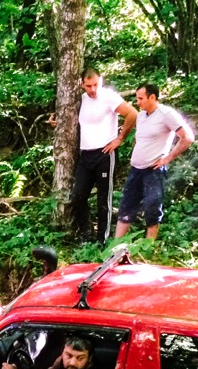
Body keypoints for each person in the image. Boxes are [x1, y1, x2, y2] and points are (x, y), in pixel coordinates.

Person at [51, 68, 137, 244]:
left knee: (103, 199)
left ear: (101, 81)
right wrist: (57, 122)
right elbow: (72, 120)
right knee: (78, 196)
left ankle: (102, 240)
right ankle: (85, 234)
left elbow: (132, 114)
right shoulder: (80, 100)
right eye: (88, 85)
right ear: (82, 84)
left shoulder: (108, 97)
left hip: (105, 154)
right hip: (86, 154)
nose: (93, 89)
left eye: (96, 84)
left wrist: (119, 139)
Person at [114, 83, 195, 240]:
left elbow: (188, 137)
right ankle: (115, 248)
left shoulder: (166, 114)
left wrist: (168, 157)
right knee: (126, 207)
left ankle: (148, 247)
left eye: (141, 98)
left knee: (152, 208)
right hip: (136, 169)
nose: (138, 102)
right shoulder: (142, 116)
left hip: (153, 170)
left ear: (152, 97)